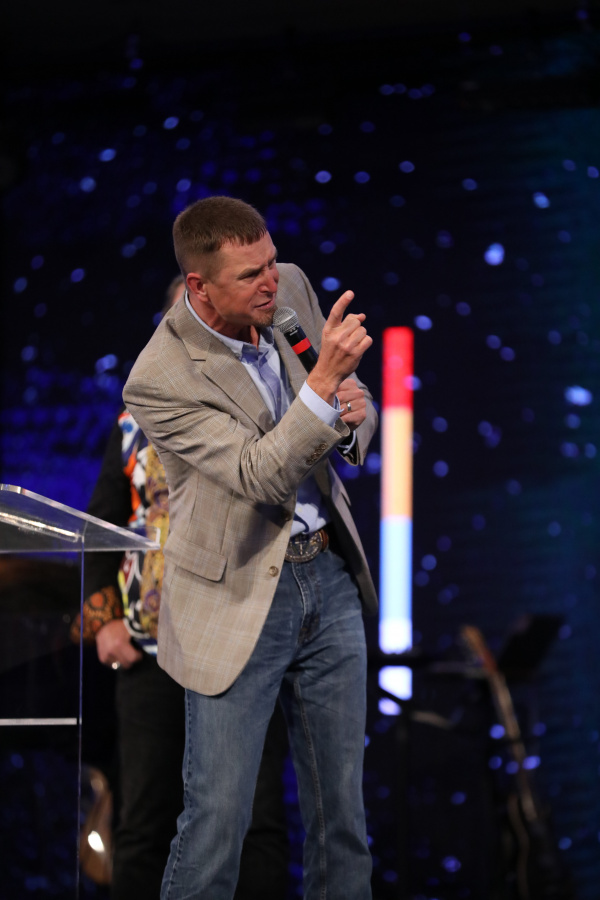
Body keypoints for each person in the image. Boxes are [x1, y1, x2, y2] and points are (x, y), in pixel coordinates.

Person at [123, 195, 378, 900]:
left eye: (271, 262)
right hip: (234, 594)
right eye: (250, 275)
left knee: (343, 820)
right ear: (200, 286)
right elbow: (258, 473)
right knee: (217, 825)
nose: (272, 283)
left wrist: (352, 414)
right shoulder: (159, 377)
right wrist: (323, 387)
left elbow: (345, 403)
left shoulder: (288, 285)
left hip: (327, 573)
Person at [76, 274, 289, 900]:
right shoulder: (132, 420)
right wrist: (103, 621)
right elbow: (100, 527)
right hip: (152, 644)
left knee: (255, 818)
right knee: (145, 817)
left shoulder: (265, 409)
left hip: (241, 642)